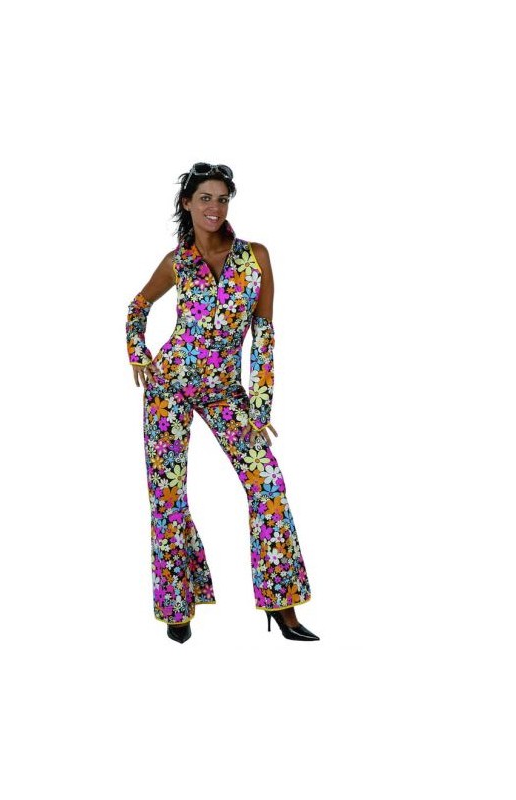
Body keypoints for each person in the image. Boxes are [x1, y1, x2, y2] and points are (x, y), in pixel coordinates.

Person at [126, 163, 319, 644]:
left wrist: (260, 404)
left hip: (225, 392)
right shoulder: (177, 262)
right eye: (206, 198)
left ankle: (283, 606)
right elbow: (137, 306)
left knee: (267, 484)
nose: (215, 207)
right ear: (187, 204)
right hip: (168, 387)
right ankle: (177, 607)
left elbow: (264, 334)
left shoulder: (255, 257)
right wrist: (139, 354)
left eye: (223, 198)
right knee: (168, 496)